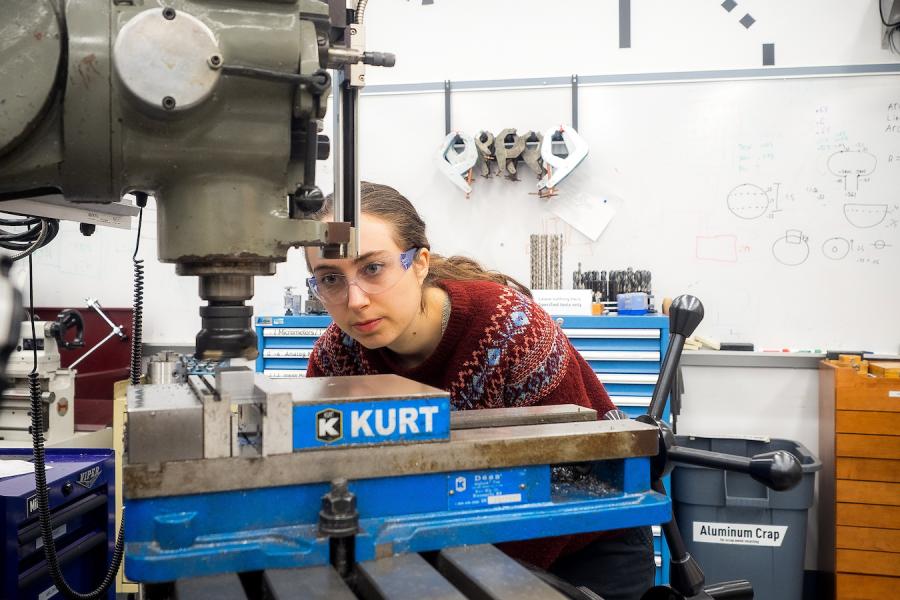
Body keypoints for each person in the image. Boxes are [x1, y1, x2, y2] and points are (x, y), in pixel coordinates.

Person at [304, 182, 655, 600]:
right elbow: (323, 474)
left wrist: (455, 576)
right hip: (442, 546)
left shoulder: (510, 327)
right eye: (330, 278)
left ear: (419, 263)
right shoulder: (336, 356)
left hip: (583, 544)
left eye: (373, 268)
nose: (355, 300)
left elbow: (570, 480)